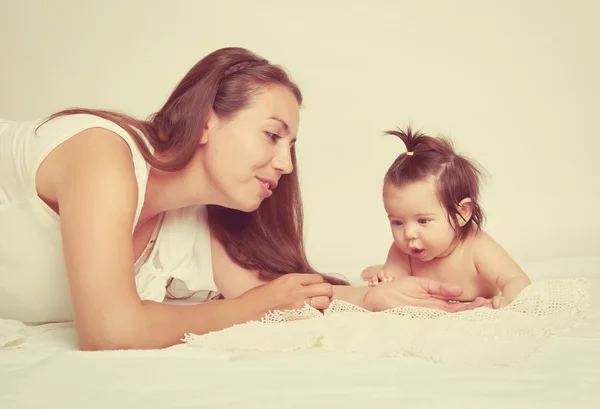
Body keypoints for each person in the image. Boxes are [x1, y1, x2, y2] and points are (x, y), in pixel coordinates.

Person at [0, 47, 489, 351]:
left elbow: (274, 293)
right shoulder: (104, 154)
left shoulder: (188, 224)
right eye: (272, 135)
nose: (286, 165)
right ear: (208, 118)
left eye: (292, 146)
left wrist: (376, 298)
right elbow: (109, 330)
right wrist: (251, 309)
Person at [361, 127, 531, 308]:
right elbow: (393, 290)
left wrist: (509, 299)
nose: (409, 233)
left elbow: (516, 279)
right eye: (397, 222)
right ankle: (378, 269)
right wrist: (384, 280)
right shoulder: (402, 252)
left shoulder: (476, 247)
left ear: (462, 213)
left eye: (423, 221)